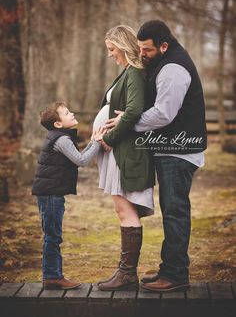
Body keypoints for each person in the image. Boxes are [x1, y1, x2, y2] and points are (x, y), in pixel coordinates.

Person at [105, 20, 207, 292]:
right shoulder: (162, 61)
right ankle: (168, 267)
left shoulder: (173, 68)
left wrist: (127, 122)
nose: (142, 54)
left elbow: (164, 113)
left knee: (175, 212)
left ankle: (176, 275)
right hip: (171, 148)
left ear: (163, 46)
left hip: (179, 150)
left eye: (147, 50)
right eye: (139, 49)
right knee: (171, 210)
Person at [93, 25, 155, 291]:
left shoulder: (136, 73)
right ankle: (125, 272)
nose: (110, 55)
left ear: (122, 45)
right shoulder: (129, 72)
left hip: (125, 150)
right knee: (122, 209)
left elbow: (133, 112)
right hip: (121, 150)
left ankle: (127, 274)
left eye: (111, 49)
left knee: (125, 209)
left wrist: (109, 138)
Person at [32, 101, 105, 290]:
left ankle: (52, 276)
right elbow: (82, 160)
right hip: (50, 194)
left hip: (50, 193)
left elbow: (78, 156)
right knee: (52, 236)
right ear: (58, 123)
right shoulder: (62, 139)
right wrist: (96, 142)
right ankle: (52, 277)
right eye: (66, 113)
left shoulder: (59, 136)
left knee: (52, 235)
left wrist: (93, 142)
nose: (72, 113)